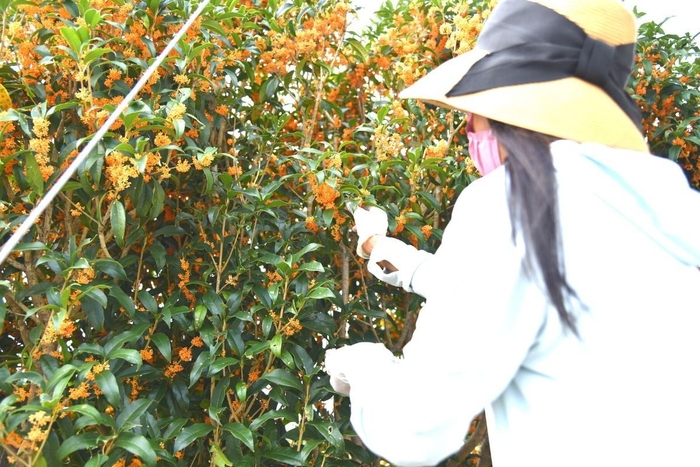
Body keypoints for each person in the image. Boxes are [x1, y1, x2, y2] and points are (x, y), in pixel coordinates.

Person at [324, 0, 700, 466]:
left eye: (473, 108)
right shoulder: (667, 210)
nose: (468, 124)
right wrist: (380, 248)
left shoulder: (511, 202)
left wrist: (364, 367)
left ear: (511, 109)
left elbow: (414, 428)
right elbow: (507, 287)